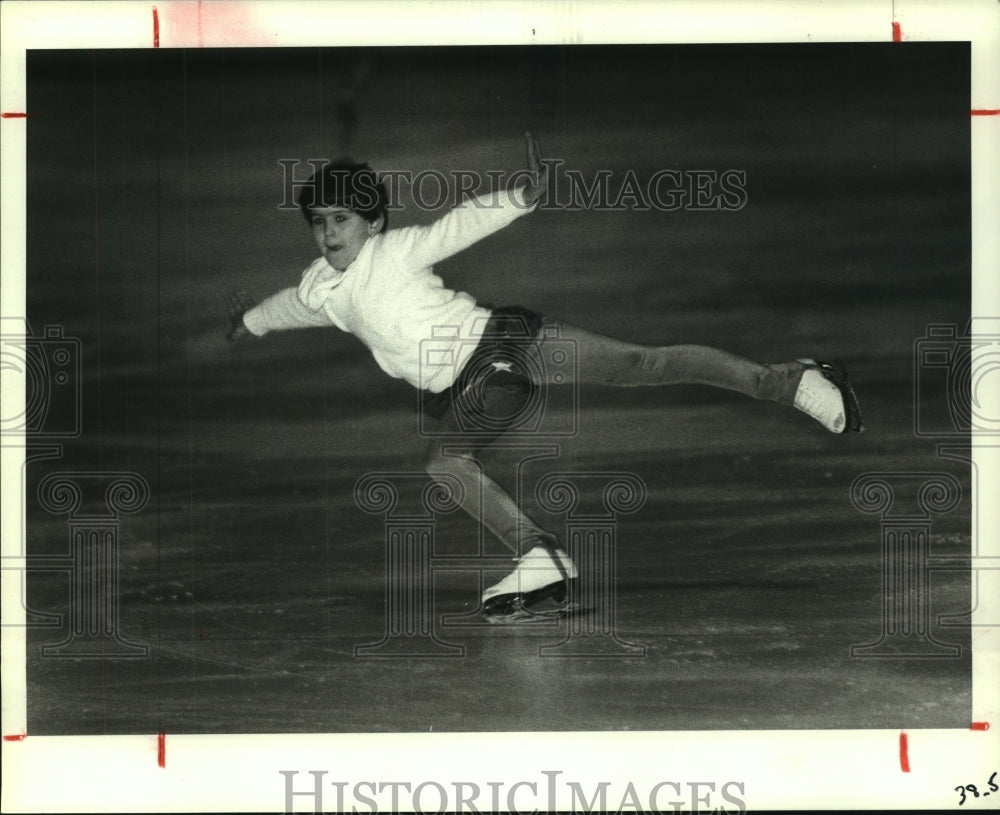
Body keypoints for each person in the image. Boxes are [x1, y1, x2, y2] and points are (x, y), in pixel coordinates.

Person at [227, 133, 863, 623]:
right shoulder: (322, 292)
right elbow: (287, 306)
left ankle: (789, 382)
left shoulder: (396, 252)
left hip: (502, 347)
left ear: (373, 223)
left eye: (342, 219)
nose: (330, 232)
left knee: (640, 365)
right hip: (465, 381)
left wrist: (520, 196)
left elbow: (458, 224)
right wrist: (249, 324)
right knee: (445, 461)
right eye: (320, 222)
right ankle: (539, 556)